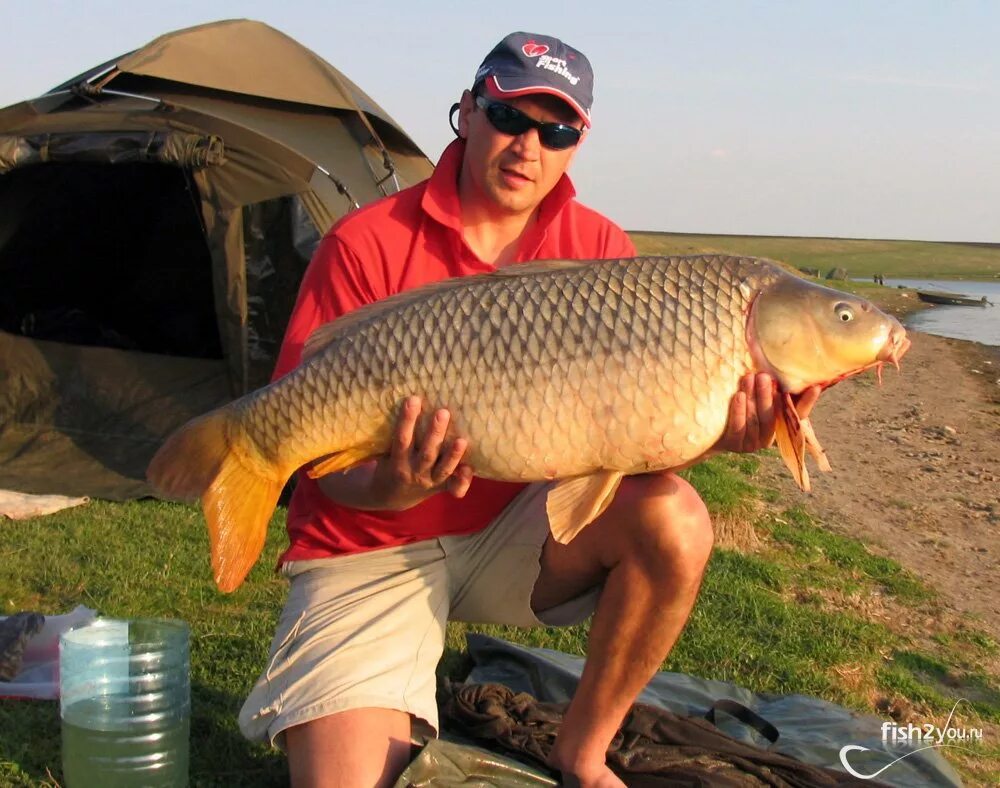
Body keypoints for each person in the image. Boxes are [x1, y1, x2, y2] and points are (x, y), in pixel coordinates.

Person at [239, 31, 819, 788]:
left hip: (519, 528)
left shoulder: (600, 248)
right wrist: (394, 484)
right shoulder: (366, 243)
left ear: (577, 141)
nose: (528, 147)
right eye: (510, 118)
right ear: (468, 112)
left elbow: (631, 442)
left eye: (556, 131)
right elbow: (317, 470)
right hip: (368, 545)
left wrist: (717, 434)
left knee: (674, 519)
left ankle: (581, 750)